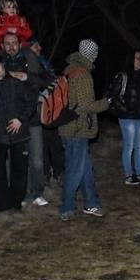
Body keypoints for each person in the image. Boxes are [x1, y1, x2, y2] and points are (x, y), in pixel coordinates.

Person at [0, 32, 55, 207]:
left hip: (32, 119)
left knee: (37, 159)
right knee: (17, 161)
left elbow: (48, 80)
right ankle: (19, 195)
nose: (11, 46)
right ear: (2, 46)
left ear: (19, 43)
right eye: (7, 43)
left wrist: (26, 77)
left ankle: (36, 192)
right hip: (11, 120)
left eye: (14, 42)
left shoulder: (30, 59)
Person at [0, 54, 37, 212]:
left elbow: (30, 103)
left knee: (20, 170)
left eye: (2, 67)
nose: (1, 70)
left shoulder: (14, 84)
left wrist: (20, 119)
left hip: (18, 134)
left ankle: (16, 203)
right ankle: (3, 206)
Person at [58, 39, 110, 221]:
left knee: (85, 168)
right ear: (92, 55)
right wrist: (107, 102)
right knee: (75, 169)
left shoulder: (69, 69)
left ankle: (92, 203)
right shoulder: (83, 75)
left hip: (66, 126)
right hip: (77, 128)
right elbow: (87, 105)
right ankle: (66, 207)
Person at [27, 37, 64, 186]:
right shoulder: (25, 64)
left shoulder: (44, 63)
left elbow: (53, 82)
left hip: (49, 108)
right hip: (35, 111)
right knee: (41, 144)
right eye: (36, 47)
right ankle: (46, 173)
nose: (40, 49)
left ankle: (59, 172)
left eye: (39, 46)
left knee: (54, 141)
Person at [110, 50, 140, 185]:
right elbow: (113, 95)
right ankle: (128, 174)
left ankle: (139, 172)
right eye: (137, 58)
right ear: (130, 59)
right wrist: (125, 110)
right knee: (129, 145)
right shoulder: (123, 76)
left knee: (139, 146)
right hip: (127, 117)